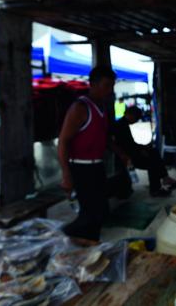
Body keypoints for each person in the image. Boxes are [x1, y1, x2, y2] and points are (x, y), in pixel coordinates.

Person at [58, 66, 123, 241]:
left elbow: (105, 137)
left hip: (97, 167)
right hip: (81, 168)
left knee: (101, 213)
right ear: (93, 85)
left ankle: (90, 245)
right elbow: (63, 141)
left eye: (112, 86)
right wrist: (66, 175)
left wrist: (121, 154)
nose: (110, 90)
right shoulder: (80, 108)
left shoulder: (102, 108)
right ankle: (61, 237)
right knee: (89, 215)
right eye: (107, 86)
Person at [114, 106, 176, 197]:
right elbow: (127, 146)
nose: (137, 120)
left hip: (131, 153)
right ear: (130, 114)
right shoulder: (121, 126)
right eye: (137, 118)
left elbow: (130, 144)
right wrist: (141, 150)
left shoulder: (123, 124)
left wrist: (144, 147)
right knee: (152, 162)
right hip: (127, 156)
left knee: (154, 152)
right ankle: (156, 189)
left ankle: (165, 178)